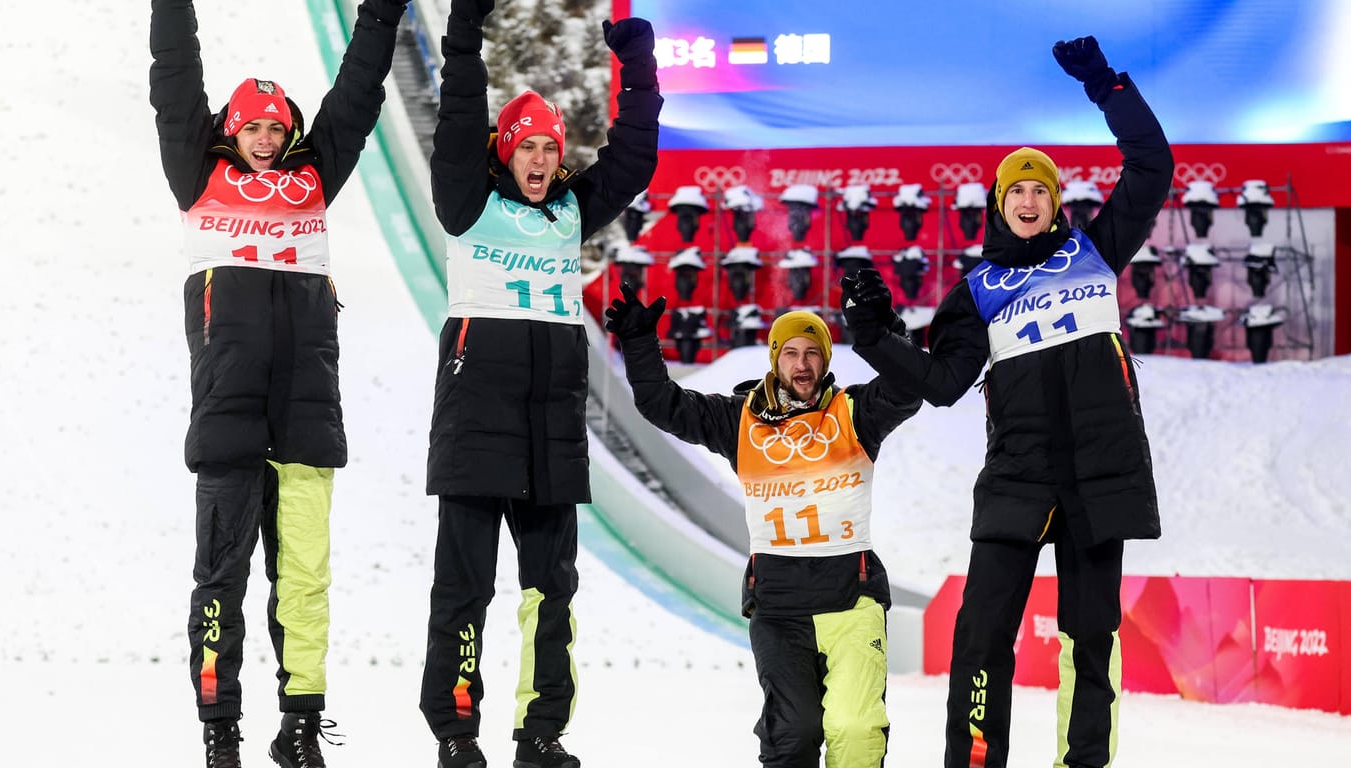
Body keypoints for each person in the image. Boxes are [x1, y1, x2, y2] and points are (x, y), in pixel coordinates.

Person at [839, 36, 1172, 768]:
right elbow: (940, 383)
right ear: (998, 203)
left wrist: (1105, 88)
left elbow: (1153, 167)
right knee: (982, 636)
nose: (1028, 198)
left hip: (1097, 473)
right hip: (1018, 479)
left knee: (1091, 636)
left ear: (1055, 202)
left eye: (1040, 188)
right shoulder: (976, 292)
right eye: (1016, 189)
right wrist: (870, 333)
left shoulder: (1095, 249)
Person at [149, 0, 409, 765]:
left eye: (274, 128)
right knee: (220, 583)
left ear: (289, 133)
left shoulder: (313, 179)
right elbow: (174, 78)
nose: (264, 140)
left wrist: (381, 16)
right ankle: (220, 729)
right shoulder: (197, 174)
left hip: (305, 420)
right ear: (231, 131)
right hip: (228, 421)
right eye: (252, 127)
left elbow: (357, 96)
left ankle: (299, 726)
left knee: (304, 584)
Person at [418, 1, 662, 766]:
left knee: (549, 595)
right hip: (474, 420)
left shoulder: (569, 213)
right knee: (464, 590)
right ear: (505, 152)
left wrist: (638, 67)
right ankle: (457, 731)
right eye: (526, 149)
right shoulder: (469, 203)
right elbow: (457, 116)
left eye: (550, 152)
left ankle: (541, 733)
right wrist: (464, 34)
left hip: (551, 432)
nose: (539, 162)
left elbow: (634, 157)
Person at [604, 286, 923, 768]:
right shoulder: (740, 420)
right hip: (779, 608)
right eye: (791, 352)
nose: (802, 364)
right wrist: (639, 343)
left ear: (826, 360)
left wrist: (885, 330)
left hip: (851, 601)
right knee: (793, 735)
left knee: (855, 731)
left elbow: (908, 386)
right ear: (775, 360)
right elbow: (663, 405)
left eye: (813, 353)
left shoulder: (854, 413)